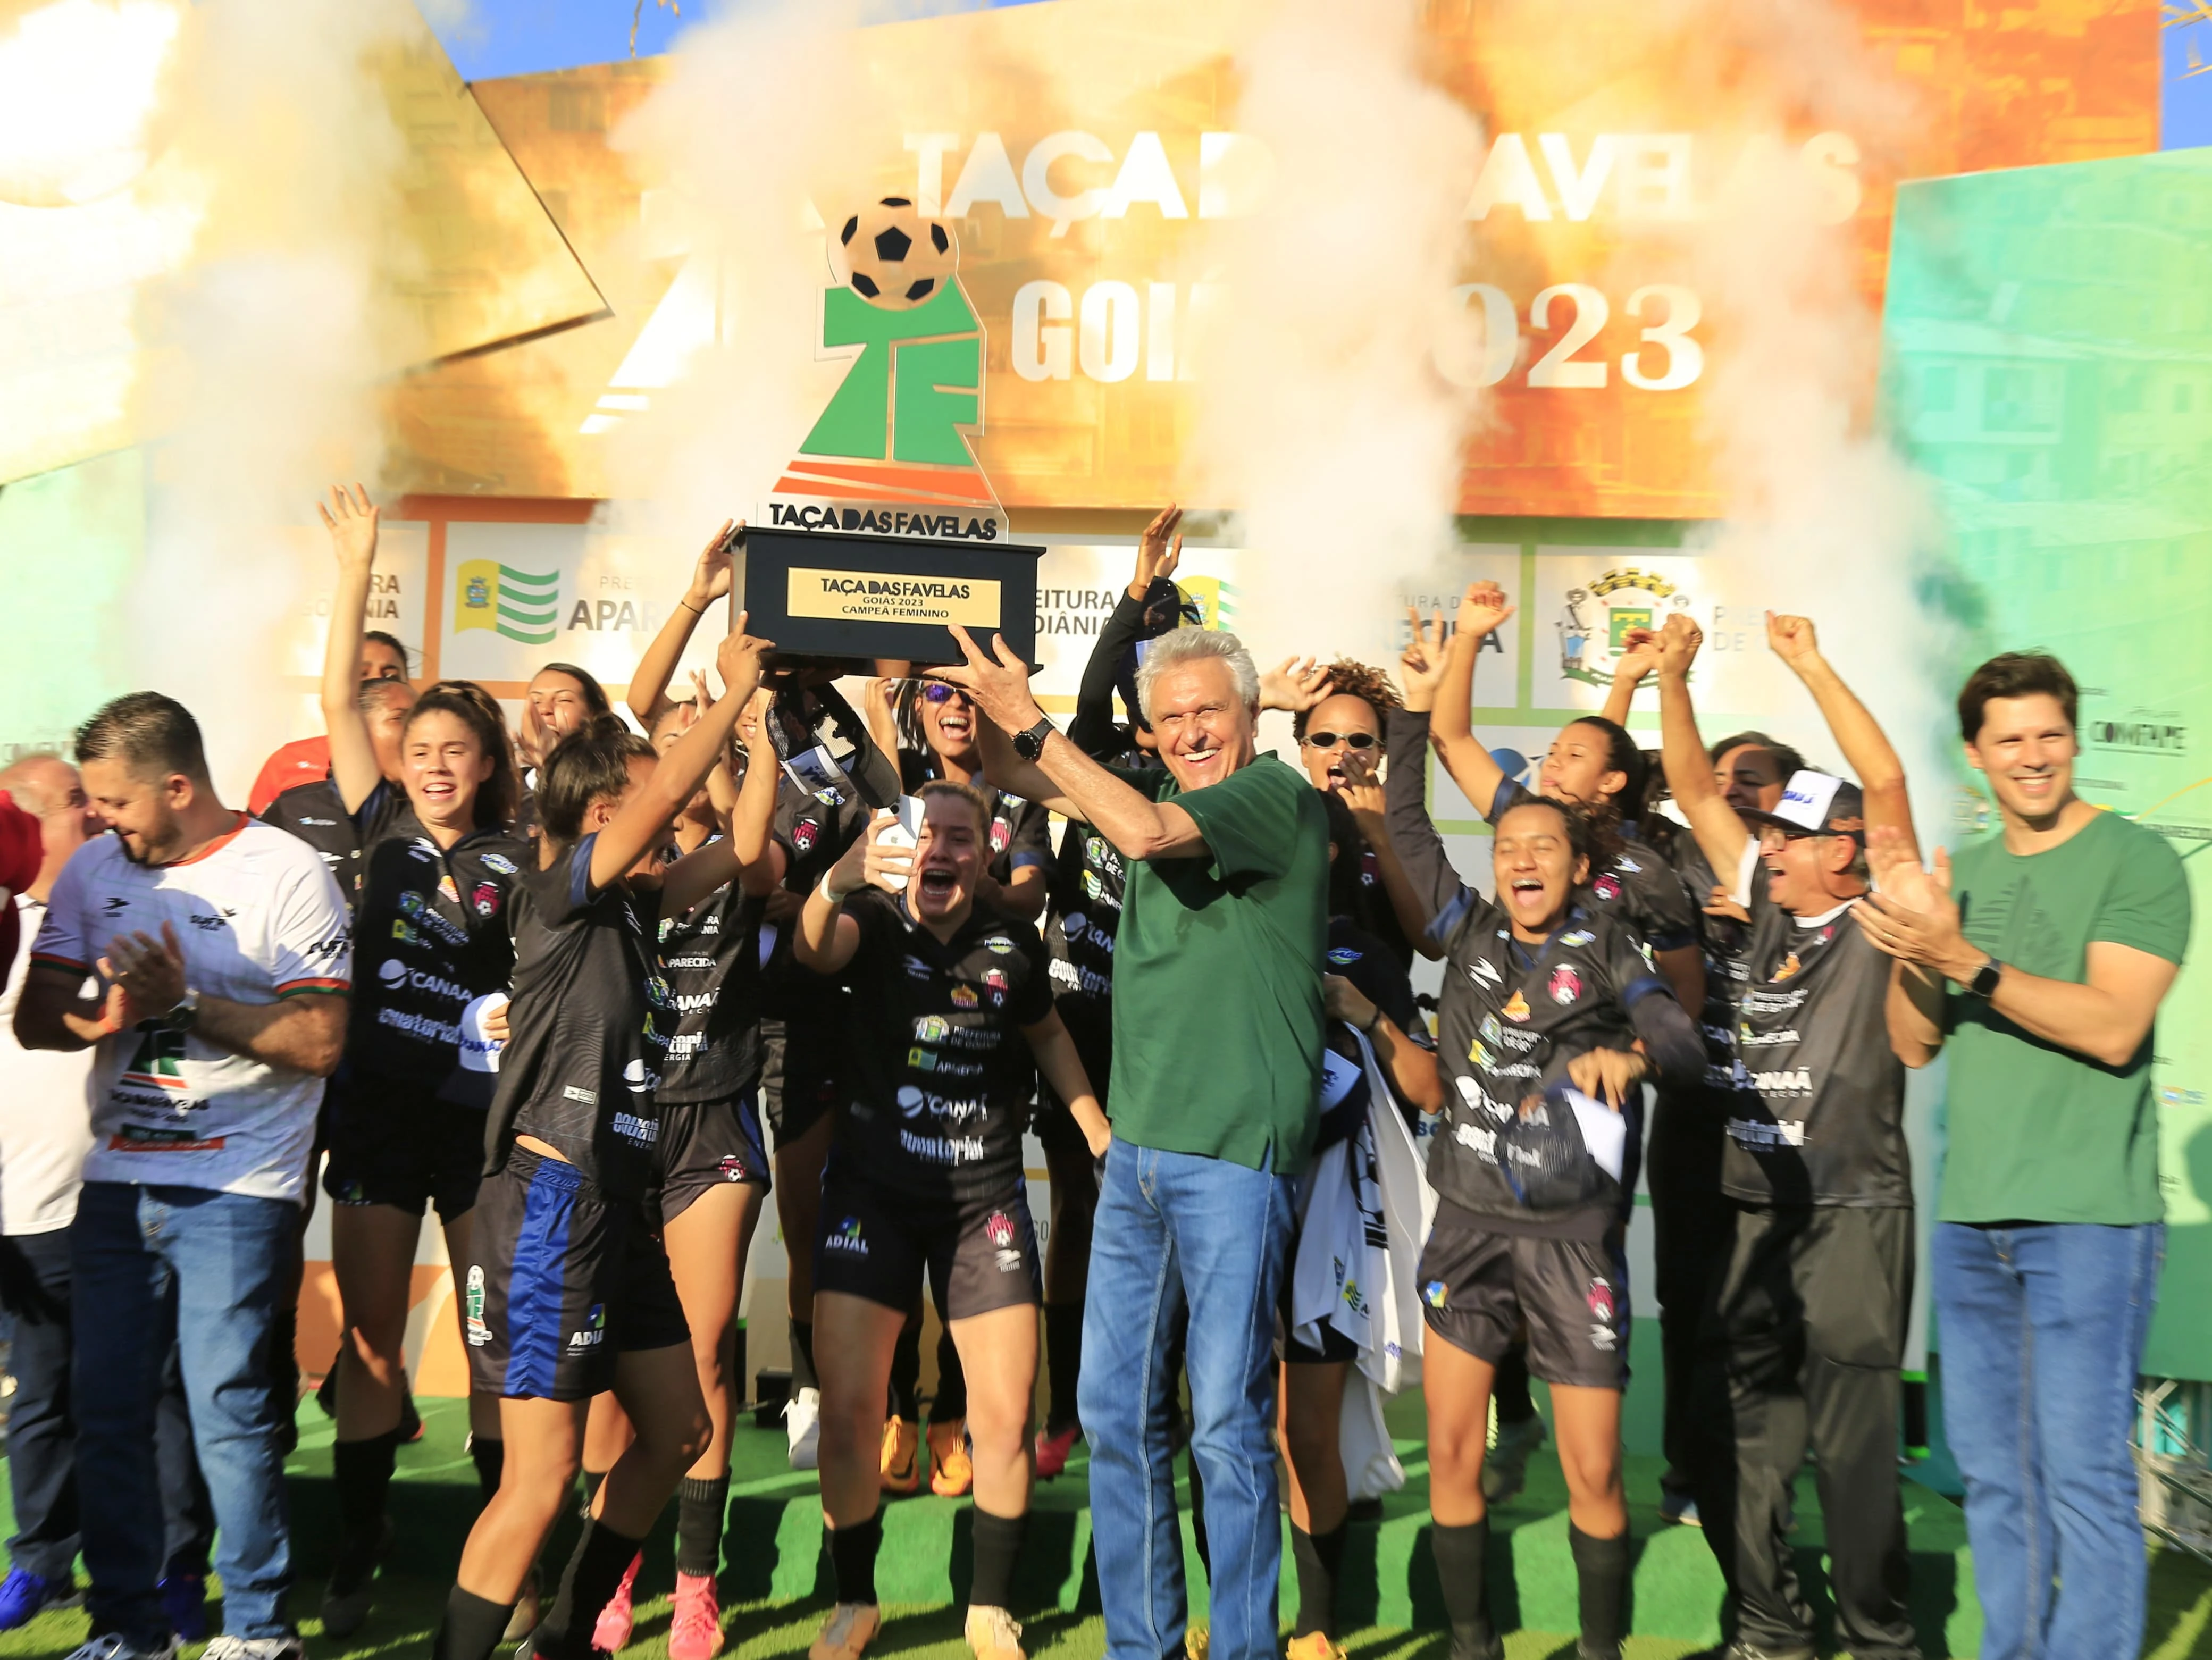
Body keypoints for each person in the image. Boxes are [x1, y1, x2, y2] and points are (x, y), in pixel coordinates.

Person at [933, 572, 1328, 1660]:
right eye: (1170, 719)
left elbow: (1146, 832)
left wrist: (1036, 727)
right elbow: (1029, 771)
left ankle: (1244, 1646)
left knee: (1228, 1429)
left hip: (1235, 1164)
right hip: (1141, 1159)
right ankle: (1142, 1649)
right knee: (1113, 1420)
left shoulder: (1271, 799)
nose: (1191, 731)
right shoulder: (1140, 789)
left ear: (1252, 719)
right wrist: (976, 710)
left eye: (1210, 711)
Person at [432, 618, 770, 1660]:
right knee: (539, 1481)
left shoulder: (633, 905)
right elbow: (673, 794)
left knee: (678, 1430)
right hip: (550, 1195)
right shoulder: (558, 891)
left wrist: (753, 728)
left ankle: (565, 1638)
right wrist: (720, 701)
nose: (662, 808)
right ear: (595, 812)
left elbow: (747, 848)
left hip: (616, 1204)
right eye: (639, 792)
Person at [1858, 650, 2189, 1660]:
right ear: (1976, 755)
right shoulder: (1969, 872)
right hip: (1972, 1220)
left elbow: (2114, 1028)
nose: (2033, 756)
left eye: (2050, 733)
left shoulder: (2139, 861)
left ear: (2076, 737)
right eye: (2010, 739)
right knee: (1998, 1475)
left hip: (2090, 1218)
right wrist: (1920, 952)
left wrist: (1966, 959)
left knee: (2082, 1471)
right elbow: (1913, 1042)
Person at [15, 692, 353, 1660]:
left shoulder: (286, 870)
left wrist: (187, 1001)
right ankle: (129, 1628)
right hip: (116, 1181)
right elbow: (39, 1014)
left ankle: (256, 1628)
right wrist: (101, 1015)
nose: (100, 820)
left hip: (237, 1184)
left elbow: (323, 1040)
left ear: (178, 785)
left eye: (118, 802)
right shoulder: (92, 868)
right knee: (107, 1407)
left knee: (227, 1410)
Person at [1388, 633, 1705, 1660]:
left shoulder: (1609, 945)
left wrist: (1633, 1060)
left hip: (1573, 1242)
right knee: (1447, 1453)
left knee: (1595, 1474)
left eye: (1544, 848)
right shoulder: (1466, 931)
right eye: (1508, 845)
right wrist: (1411, 716)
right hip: (1467, 1230)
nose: (1522, 859)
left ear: (1577, 865)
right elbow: (1403, 824)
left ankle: (1601, 1651)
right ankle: (1474, 1643)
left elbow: (1682, 1038)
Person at [1650, 611, 1923, 1660]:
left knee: (1854, 1450)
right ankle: (1770, 1629)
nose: (1763, 843)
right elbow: (1687, 782)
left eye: (1787, 835)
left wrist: (1810, 665)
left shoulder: (1880, 918)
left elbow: (1887, 779)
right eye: (1765, 836)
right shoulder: (1762, 902)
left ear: (1844, 852)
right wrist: (1673, 677)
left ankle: (1878, 1637)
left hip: (1851, 1215)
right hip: (1751, 1213)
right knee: (1750, 1442)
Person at [793, 783, 1110, 1660]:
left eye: (961, 838)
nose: (943, 849)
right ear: (907, 848)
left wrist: (1096, 1131)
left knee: (1005, 1417)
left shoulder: (1010, 942)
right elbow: (813, 951)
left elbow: (1046, 1033)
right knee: (854, 1412)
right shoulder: (869, 920)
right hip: (872, 1198)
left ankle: (989, 1607)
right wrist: (834, 880)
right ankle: (854, 1600)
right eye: (928, 834)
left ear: (982, 856)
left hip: (984, 1202)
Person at [307, 486, 531, 1637]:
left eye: (457, 750)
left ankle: (508, 1559)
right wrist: (359, 563)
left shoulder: (526, 849)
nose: (436, 765)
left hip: (483, 1130)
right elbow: (341, 695)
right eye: (423, 748)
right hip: (381, 1117)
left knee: (494, 1344)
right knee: (371, 1341)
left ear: (491, 761)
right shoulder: (379, 820)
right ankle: (358, 1550)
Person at [582, 680, 783, 1660]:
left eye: (698, 748)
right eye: (669, 747)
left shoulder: (727, 862)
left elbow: (758, 849)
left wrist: (752, 743)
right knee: (613, 1372)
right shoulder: (615, 878)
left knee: (700, 1357)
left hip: (713, 1128)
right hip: (618, 1131)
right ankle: (608, 1570)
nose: (685, 762)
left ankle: (694, 1583)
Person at [1278, 789, 1441, 1660]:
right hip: (1232, 1202)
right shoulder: (1228, 934)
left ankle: (1315, 1624)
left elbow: (1429, 1088)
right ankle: (1238, 1616)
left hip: (1329, 1219)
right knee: (1235, 1430)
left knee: (1306, 1430)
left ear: (1330, 857)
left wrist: (1365, 1014)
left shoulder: (1367, 955)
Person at [0, 757, 99, 1627]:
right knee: (40, 1394)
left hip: (122, 1196)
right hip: (24, 1211)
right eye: (76, 803)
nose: (96, 813)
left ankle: (155, 1566)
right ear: (28, 829)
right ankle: (40, 1561)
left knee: (149, 1396)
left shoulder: (120, 908)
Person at [1289, 660, 1433, 965]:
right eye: (1325, 739)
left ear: (1381, 753)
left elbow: (1433, 946)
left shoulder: (1404, 832)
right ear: (1305, 751)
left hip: (1380, 1008)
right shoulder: (1278, 820)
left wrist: (1380, 838)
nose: (1343, 751)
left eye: (1360, 740)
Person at [247, 630, 409, 815]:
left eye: (390, 676)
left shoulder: (421, 766)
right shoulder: (287, 761)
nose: (376, 681)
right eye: (362, 673)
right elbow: (255, 839)